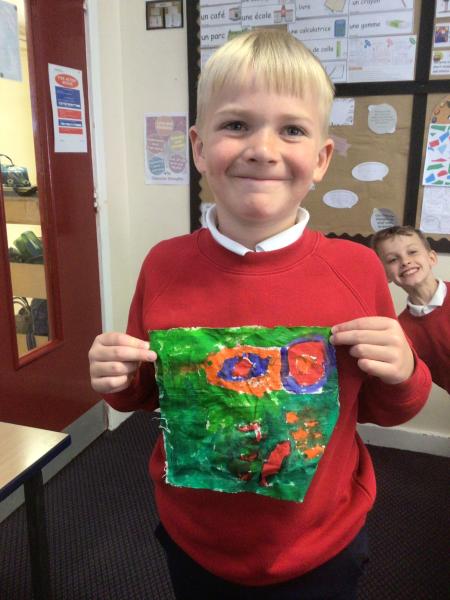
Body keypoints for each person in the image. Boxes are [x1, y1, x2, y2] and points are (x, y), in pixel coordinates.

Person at [88, 30, 431, 600]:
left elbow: (379, 407)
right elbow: (149, 394)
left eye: (291, 130)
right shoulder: (164, 264)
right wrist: (117, 379)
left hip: (320, 543)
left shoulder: (357, 269)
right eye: (236, 125)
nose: (263, 149)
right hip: (195, 538)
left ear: (321, 158)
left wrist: (404, 372)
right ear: (199, 148)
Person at [372, 225, 449, 394]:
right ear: (385, 275)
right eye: (393, 259)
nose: (405, 261)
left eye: (412, 252)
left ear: (431, 258)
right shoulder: (400, 333)